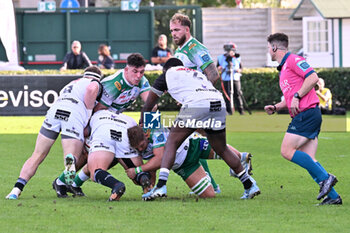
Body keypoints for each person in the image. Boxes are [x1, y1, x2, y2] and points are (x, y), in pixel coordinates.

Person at [140, 58, 260, 201]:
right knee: (221, 148)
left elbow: (149, 105)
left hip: (197, 104)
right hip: (218, 102)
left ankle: (161, 185)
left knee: (172, 141)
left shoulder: (168, 74)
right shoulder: (194, 73)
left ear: (166, 69)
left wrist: (144, 125)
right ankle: (249, 185)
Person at [52, 53, 152, 198]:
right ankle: (61, 182)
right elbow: (97, 109)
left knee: (102, 157)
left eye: (141, 72)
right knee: (80, 156)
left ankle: (71, 184)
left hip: (93, 119)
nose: (138, 76)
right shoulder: (113, 84)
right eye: (135, 72)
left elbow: (150, 105)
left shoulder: (141, 80)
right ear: (126, 70)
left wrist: (149, 129)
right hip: (83, 119)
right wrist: (89, 129)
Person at [264, 33, 341, 205]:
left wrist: (298, 96)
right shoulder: (283, 69)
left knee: (286, 151)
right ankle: (334, 197)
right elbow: (289, 99)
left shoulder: (293, 60)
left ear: (275, 48)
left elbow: (313, 77)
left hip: (307, 113)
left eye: (269, 47)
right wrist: (276, 107)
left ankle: (326, 178)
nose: (268, 51)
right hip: (307, 114)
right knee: (309, 159)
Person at [6, 66, 103, 200]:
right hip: (73, 115)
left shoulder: (72, 82)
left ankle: (15, 190)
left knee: (37, 154)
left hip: (54, 112)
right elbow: (91, 89)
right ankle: (64, 184)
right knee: (70, 159)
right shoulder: (95, 82)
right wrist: (87, 115)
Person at [126, 125, 254, 200]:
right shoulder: (138, 146)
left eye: (142, 145)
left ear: (145, 135)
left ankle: (242, 160)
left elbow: (160, 159)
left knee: (228, 154)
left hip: (192, 145)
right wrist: (149, 189)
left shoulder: (155, 130)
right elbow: (152, 167)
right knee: (209, 196)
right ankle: (231, 167)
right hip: (183, 165)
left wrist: (137, 170)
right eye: (137, 148)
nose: (140, 150)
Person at [169, 12, 222, 192]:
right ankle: (217, 182)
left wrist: (196, 94)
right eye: (171, 31)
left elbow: (213, 74)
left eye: (177, 30)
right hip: (194, 103)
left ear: (187, 29)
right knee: (197, 143)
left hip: (200, 103)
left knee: (190, 142)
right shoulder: (180, 50)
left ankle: (239, 165)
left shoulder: (194, 47)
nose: (173, 34)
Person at [217, 43, 245, 115]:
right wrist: (219, 68)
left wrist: (239, 70)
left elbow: (241, 68)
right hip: (226, 78)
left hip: (235, 78)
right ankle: (229, 111)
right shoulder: (221, 57)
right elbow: (217, 67)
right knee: (227, 95)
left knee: (237, 94)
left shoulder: (237, 57)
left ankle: (241, 111)